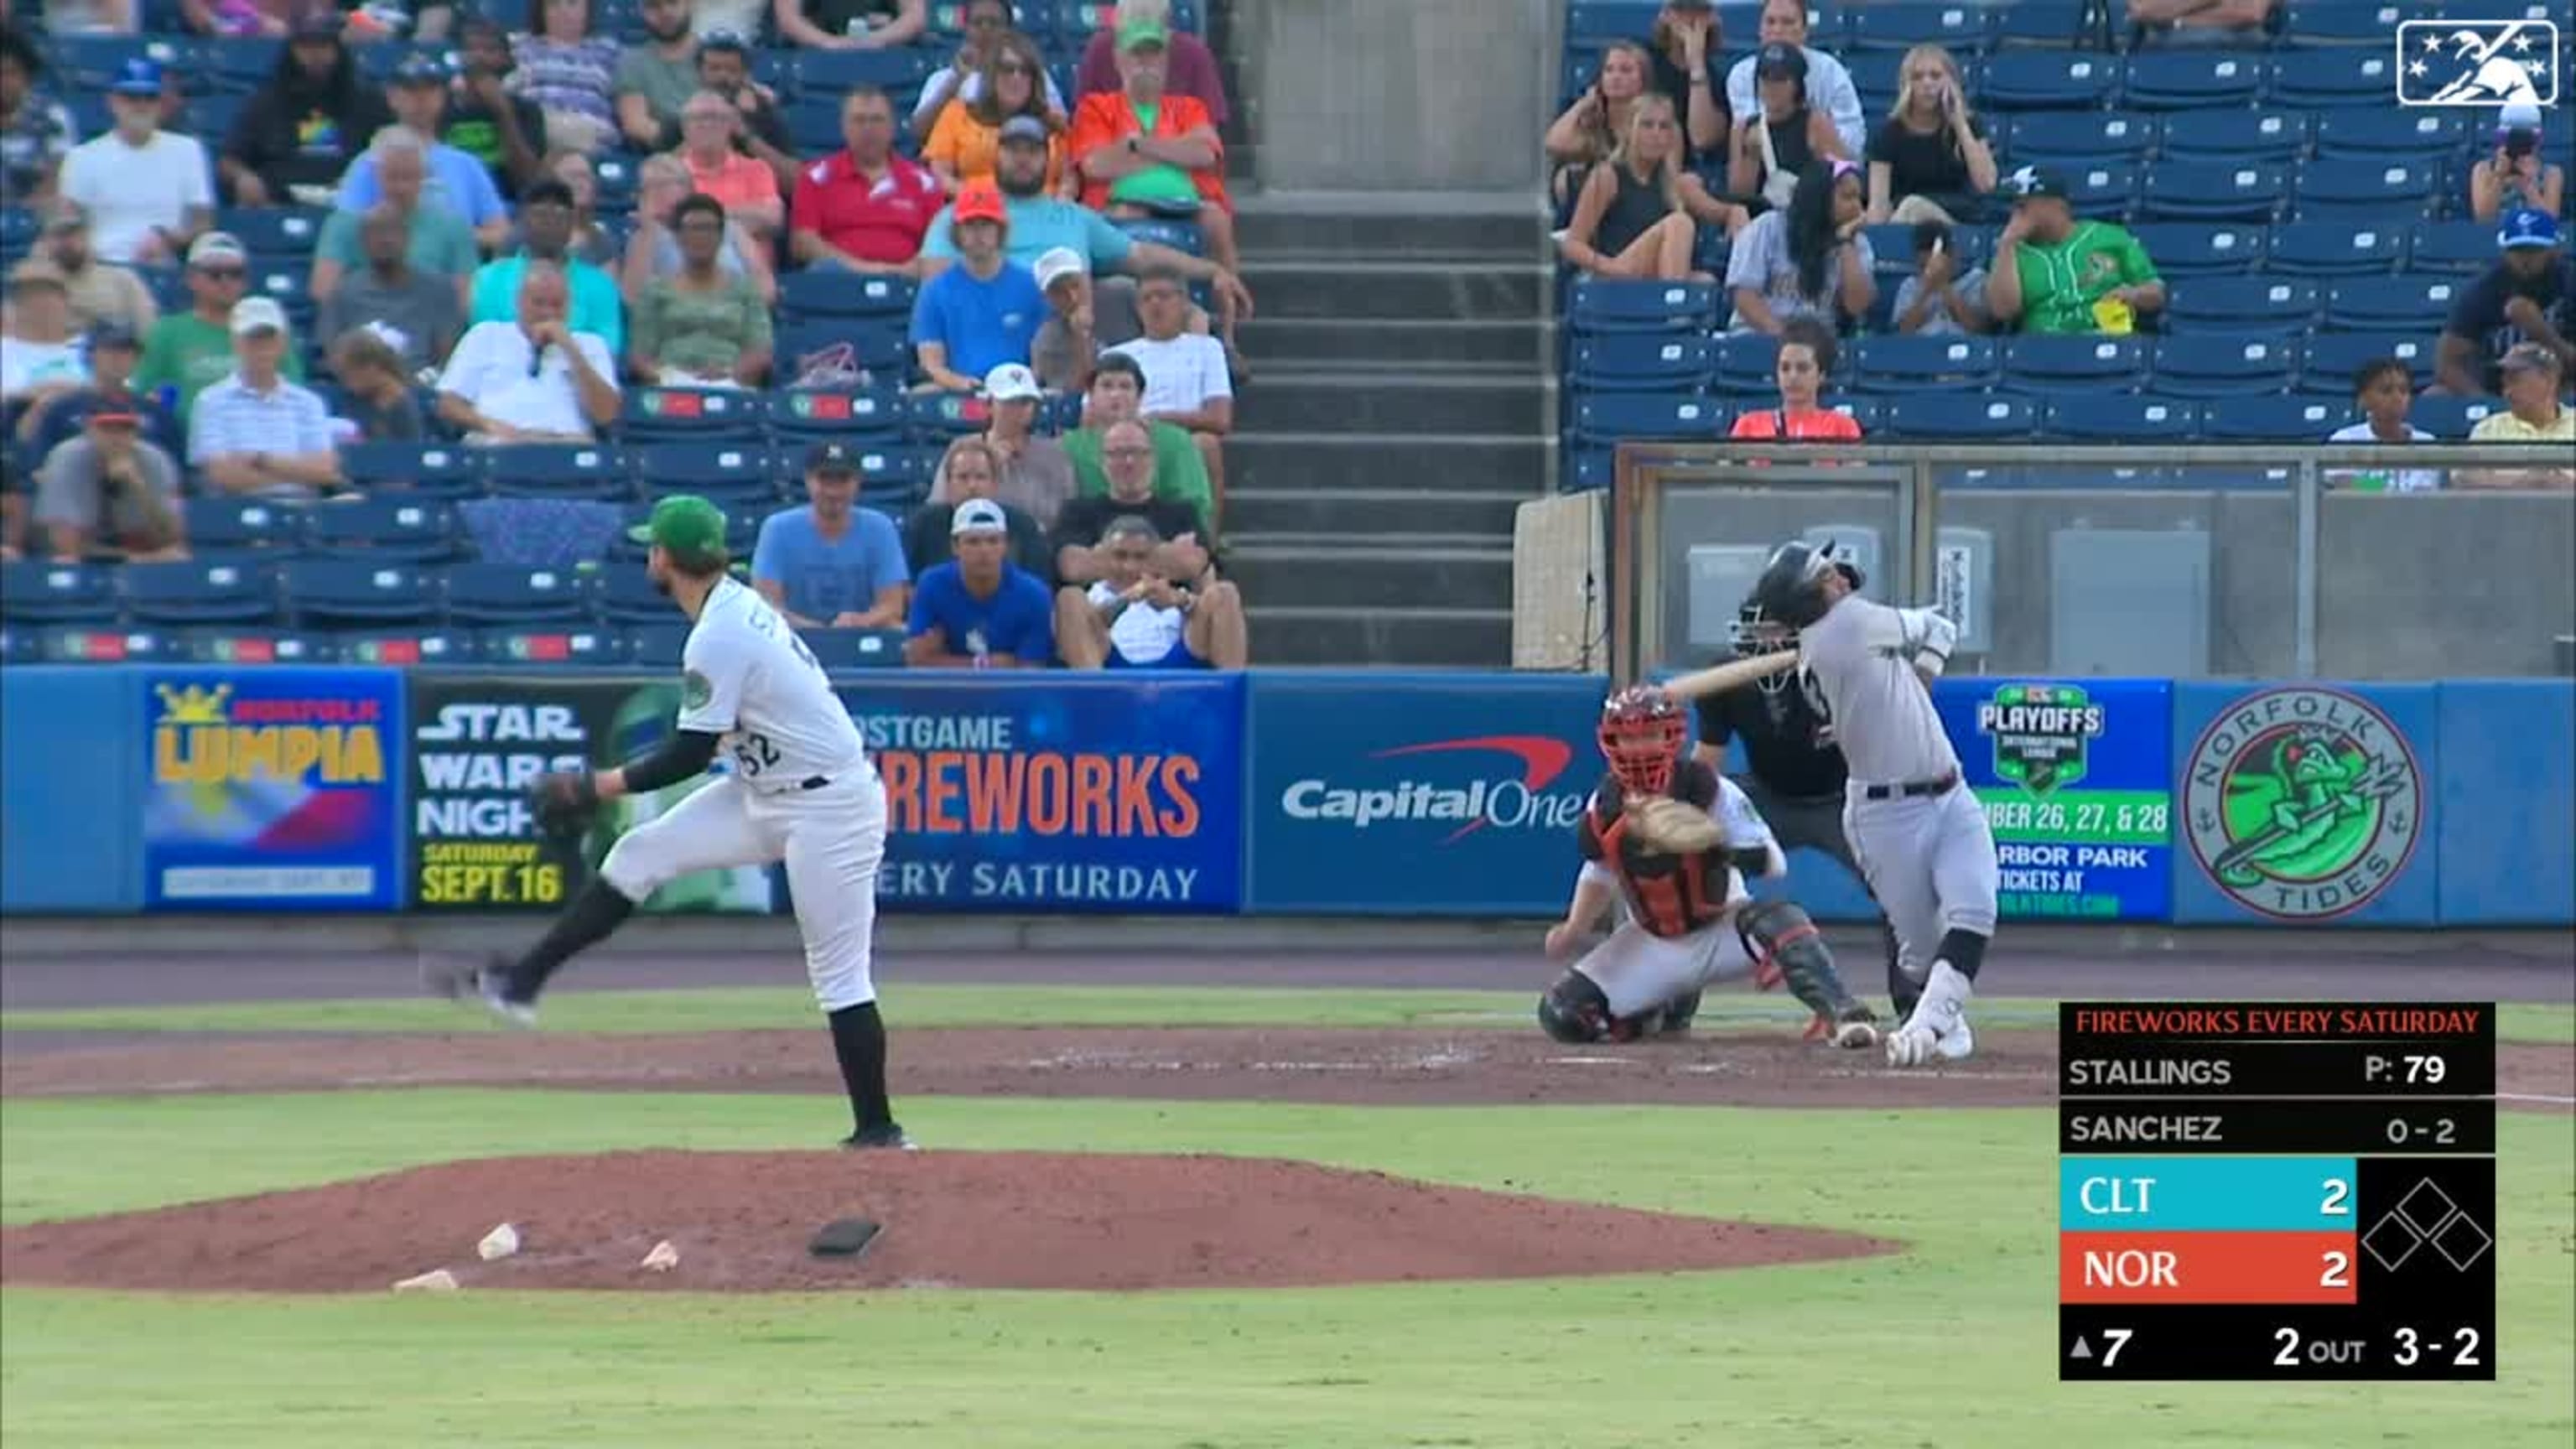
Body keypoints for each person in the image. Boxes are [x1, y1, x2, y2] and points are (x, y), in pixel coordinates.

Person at [428, 493, 913, 1151]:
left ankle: (879, 1131)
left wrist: (596, 785)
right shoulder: (728, 609)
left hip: (831, 809)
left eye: (651, 547)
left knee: (839, 975)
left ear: (664, 557)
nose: (647, 557)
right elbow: (716, 736)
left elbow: (687, 753)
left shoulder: (721, 631)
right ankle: (521, 983)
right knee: (639, 853)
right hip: (763, 789)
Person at [1750, 538, 1994, 1068]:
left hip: (1949, 794)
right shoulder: (1850, 625)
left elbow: (1937, 629)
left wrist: (1917, 680)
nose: (1838, 576)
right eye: (1825, 574)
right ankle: (1943, 1020)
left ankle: (1928, 1025)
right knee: (1920, 952)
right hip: (1885, 815)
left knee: (1975, 908)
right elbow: (1932, 623)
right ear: (1814, 594)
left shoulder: (1840, 633)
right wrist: (1919, 662)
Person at [1538, 685, 1877, 1046]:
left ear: (1671, 737)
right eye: (1628, 739)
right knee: (1563, 1015)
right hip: (1653, 942)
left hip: (1722, 929)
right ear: (1611, 743)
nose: (1639, 749)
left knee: (1783, 918)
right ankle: (1653, 1014)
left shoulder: (1708, 789)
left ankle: (1841, 1012)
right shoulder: (1604, 805)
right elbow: (1599, 871)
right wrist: (1573, 929)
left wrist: (1710, 846)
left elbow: (1772, 863)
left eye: (1650, 736)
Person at [1691, 600, 1905, 1018]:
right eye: (1759, 633)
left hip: (1841, 800)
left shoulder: (1841, 670)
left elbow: (1887, 746)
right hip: (1766, 798)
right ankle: (1672, 1001)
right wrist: (1686, 824)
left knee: (1900, 894)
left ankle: (1914, 1006)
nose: (1768, 642)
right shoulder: (1726, 678)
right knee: (1687, 866)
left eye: (1778, 631)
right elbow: (1707, 763)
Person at [1068, 18, 1239, 284]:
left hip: (1187, 204)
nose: (1146, 61)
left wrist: (1137, 145)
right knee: (1129, 216)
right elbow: (1095, 166)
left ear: (1166, 61)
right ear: (1118, 60)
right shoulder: (1097, 107)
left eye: (1154, 53)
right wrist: (1175, 150)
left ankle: (1230, 302)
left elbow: (1205, 155)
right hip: (1120, 204)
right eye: (1137, 53)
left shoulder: (1189, 107)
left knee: (1218, 220)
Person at [339, 53, 516, 249]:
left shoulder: (466, 165)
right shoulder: (369, 163)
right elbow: (345, 232)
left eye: (430, 90)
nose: (421, 99)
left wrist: (450, 235)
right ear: (392, 97)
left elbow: (501, 233)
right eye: (411, 90)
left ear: (442, 96)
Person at [220, 7, 390, 209]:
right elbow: (229, 161)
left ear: (337, 49)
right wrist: (243, 177)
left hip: (350, 206)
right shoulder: (265, 102)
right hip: (277, 204)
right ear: (292, 50)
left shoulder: (368, 100)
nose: (315, 55)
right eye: (306, 46)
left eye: (323, 46)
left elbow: (390, 154)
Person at [437, 262, 622, 443]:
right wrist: (488, 424)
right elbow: (448, 404)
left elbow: (606, 415)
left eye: (557, 305)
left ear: (569, 306)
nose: (547, 313)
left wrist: (571, 349)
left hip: (566, 443)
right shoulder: (486, 334)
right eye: (538, 303)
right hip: (497, 440)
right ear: (519, 301)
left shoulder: (591, 344)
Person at [1561, 93, 1736, 283]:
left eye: (1664, 127)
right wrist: (1610, 267)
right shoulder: (1607, 176)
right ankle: (1674, 307)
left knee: (1706, 281)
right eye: (1647, 125)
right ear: (1629, 130)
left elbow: (1717, 210)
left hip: (1655, 275)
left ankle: (1672, 300)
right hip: (1617, 274)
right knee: (1679, 223)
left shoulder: (1672, 182)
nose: (1656, 134)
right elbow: (1573, 244)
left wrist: (1737, 212)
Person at [136, 231, 309, 423]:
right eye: (215, 274)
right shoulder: (166, 332)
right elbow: (143, 392)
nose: (226, 281)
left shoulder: (269, 328)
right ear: (191, 278)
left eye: (235, 274)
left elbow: (294, 391)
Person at [58, 59, 214, 267]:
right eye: (131, 97)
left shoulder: (187, 151)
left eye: (150, 97)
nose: (141, 105)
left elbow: (203, 223)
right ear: (113, 102)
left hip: (164, 265)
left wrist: (169, 238)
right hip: (101, 268)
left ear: (161, 103)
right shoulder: (82, 157)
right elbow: (68, 223)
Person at [190, 298, 343, 501]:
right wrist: (299, 473)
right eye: (252, 338)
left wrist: (258, 459)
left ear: (283, 342)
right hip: (237, 511)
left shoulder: (308, 402)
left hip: (303, 512)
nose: (262, 346)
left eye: (269, 338)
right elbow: (222, 475)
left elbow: (324, 471)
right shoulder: (210, 401)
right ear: (236, 342)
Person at [1984, 164, 2163, 336]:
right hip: (2041, 349)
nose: (2015, 214)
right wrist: (2007, 244)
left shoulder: (2110, 236)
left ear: (2053, 205)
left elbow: (2156, 293)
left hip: (2104, 342)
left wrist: (2133, 295)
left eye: (2022, 206)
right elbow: (2003, 311)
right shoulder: (2013, 253)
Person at [1054, 512, 1247, 670]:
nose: (1129, 566)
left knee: (1225, 592)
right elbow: (1079, 631)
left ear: (1155, 559)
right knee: (1069, 597)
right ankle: (1095, 701)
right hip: (1110, 672)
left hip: (1175, 670)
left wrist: (1180, 601)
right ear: (1104, 556)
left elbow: (1203, 619)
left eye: (1140, 557)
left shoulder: (1172, 592)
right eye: (1120, 556)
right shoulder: (1091, 598)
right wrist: (1124, 600)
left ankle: (1234, 698)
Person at [310, 131, 480, 306]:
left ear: (423, 176)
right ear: (377, 174)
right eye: (392, 177)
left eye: (409, 177)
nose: (401, 187)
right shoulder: (344, 225)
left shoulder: (453, 228)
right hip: (362, 322)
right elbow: (323, 290)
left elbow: (464, 298)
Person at [753, 440, 910, 628]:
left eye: (843, 480)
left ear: (857, 482)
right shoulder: (777, 529)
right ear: (808, 480)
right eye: (825, 479)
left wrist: (859, 621)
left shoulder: (880, 528)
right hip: (794, 640)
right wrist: (818, 631)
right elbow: (767, 607)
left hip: (861, 638)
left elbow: (892, 607)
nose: (833, 491)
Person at [790, 86, 944, 276]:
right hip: (840, 278)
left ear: (892, 127)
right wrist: (864, 269)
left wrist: (906, 270)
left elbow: (938, 245)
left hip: (908, 278)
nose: (868, 129)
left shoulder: (924, 182)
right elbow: (803, 243)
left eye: (877, 120)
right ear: (844, 127)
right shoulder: (816, 177)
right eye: (859, 120)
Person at [908, 179, 1044, 391]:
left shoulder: (1030, 285)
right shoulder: (935, 291)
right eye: (970, 225)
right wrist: (961, 384)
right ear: (957, 233)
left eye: (986, 224)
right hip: (960, 391)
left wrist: (1022, 389)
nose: (978, 234)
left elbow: (1041, 357)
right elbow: (931, 363)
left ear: (1000, 230)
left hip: (1018, 392)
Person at [1051, 418, 1211, 592]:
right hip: (1097, 613)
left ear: (1153, 459)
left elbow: (1192, 565)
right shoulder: (1077, 512)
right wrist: (1164, 554)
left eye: (1137, 452)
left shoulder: (1182, 512)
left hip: (1168, 610)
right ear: (1103, 462)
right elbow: (1073, 568)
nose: (1129, 462)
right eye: (1118, 453)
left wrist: (1102, 555)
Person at [631, 193, 773, 387]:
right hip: (670, 384)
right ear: (677, 236)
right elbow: (640, 357)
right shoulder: (655, 291)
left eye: (709, 229)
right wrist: (671, 377)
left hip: (731, 384)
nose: (701, 236)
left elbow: (760, 353)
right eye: (693, 229)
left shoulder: (745, 290)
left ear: (721, 236)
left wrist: (729, 374)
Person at [468, 179, 626, 351]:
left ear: (572, 221)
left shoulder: (600, 285)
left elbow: (608, 350)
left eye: (559, 213)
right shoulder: (489, 279)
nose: (549, 221)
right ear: (523, 220)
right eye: (540, 213)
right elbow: (483, 342)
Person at [313, 203, 466, 376]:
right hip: (361, 390)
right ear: (362, 241)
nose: (385, 239)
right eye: (376, 232)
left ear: (407, 238)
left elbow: (450, 359)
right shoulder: (343, 293)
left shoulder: (440, 290)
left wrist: (421, 384)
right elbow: (332, 356)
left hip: (423, 391)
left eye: (392, 231)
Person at [1726, 158, 1874, 335]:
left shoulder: (1857, 243)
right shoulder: (1768, 227)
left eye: (1859, 198)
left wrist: (1845, 243)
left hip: (1817, 343)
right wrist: (1784, 337)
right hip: (1757, 335)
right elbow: (1744, 296)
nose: (1857, 206)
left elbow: (1857, 306)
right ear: (1819, 197)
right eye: (1848, 197)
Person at [2435, 208, 2573, 397]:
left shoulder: (2569, 283)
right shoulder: (2485, 289)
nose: (2525, 259)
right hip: (2498, 389)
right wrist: (2486, 404)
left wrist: (2541, 331)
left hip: (2561, 387)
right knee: (2436, 395)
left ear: (2554, 250)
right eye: (2517, 250)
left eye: (2534, 250)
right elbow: (2447, 363)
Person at [903, 498, 1056, 667]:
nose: (984, 551)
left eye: (993, 541)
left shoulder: (1034, 595)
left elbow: (1031, 672)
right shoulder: (931, 584)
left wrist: (945, 661)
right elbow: (917, 661)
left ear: (1005, 545)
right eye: (973, 542)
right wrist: (989, 663)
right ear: (955, 546)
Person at [1063, 352, 1213, 521]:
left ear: (1140, 396)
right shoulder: (1069, 446)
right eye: (1106, 386)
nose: (1115, 395)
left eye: (1125, 387)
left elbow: (1195, 502)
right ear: (1091, 395)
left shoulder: (1176, 441)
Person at [33, 406, 188, 563]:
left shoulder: (154, 460)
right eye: (106, 429)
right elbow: (67, 548)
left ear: (136, 434)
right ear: (89, 431)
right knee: (65, 562)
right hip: (75, 562)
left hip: (132, 554)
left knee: (179, 558)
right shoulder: (67, 459)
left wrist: (140, 489)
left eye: (125, 430)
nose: (116, 438)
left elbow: (173, 540)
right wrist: (139, 558)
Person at [1864, 44, 1995, 227]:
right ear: (1906, 84)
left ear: (1951, 81)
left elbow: (1986, 183)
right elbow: (1878, 204)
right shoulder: (1888, 133)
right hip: (1904, 222)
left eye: (1936, 76)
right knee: (1909, 208)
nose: (1927, 83)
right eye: (1917, 77)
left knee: (1914, 207)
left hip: (1956, 222)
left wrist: (1959, 123)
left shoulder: (1969, 125)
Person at [17, 321, 179, 465]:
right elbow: (38, 467)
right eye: (109, 350)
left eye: (127, 351)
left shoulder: (156, 413)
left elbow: (178, 475)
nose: (118, 358)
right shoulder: (61, 409)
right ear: (90, 355)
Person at [624, 153, 775, 304]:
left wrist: (738, 308)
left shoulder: (730, 228)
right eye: (653, 186)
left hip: (736, 314)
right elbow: (632, 299)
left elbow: (766, 286)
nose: (662, 192)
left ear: (690, 190)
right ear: (642, 196)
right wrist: (649, 229)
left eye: (672, 182)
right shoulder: (644, 240)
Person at [925, 33, 1066, 195]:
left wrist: (1060, 200)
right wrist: (978, 199)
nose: (1016, 77)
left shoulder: (1054, 122)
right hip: (975, 211)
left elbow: (1069, 177)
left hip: (1043, 212)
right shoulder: (957, 114)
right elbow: (939, 175)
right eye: (1008, 69)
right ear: (992, 75)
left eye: (1025, 71)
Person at [1722, 0, 1864, 160]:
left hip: (1820, 167)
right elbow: (1748, 138)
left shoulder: (1830, 72)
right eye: (1770, 22)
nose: (1777, 30)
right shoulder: (1741, 75)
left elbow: (1854, 141)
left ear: (1804, 32)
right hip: (1764, 171)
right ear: (1760, 30)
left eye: (1787, 22)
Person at [906, 0, 1062, 139]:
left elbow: (1059, 126)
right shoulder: (943, 78)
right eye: (977, 22)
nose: (985, 29)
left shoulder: (1028, 73)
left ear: (1009, 30)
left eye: (994, 23)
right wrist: (954, 82)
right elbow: (919, 133)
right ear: (966, 28)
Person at [909, 434, 1052, 580]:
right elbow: (908, 587)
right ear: (948, 484)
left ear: (995, 484)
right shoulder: (924, 524)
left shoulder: (1023, 526)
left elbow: (1039, 588)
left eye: (980, 477)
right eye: (963, 477)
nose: (972, 486)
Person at [1727, 43, 1845, 220]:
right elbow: (1739, 195)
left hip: (1805, 216)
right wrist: (1751, 157)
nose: (1772, 86)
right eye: (1765, 78)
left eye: (1780, 79)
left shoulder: (1815, 123)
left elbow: (1844, 175)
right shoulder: (1743, 128)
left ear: (1796, 84)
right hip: (1760, 220)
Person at [441, 19, 550, 202]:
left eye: (490, 50)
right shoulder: (442, 108)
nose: (479, 57)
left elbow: (528, 181)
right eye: (471, 49)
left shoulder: (527, 111)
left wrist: (503, 112)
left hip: (505, 203)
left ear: (507, 60)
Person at [1075, 0, 1227, 125]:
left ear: (1167, 26)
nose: (1144, 57)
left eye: (1153, 46)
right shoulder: (1099, 50)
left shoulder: (1195, 54)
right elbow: (1084, 125)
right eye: (1134, 47)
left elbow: (1209, 141)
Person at [1547, 40, 1652, 209]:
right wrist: (1584, 103)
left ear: (1643, 80)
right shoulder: (1590, 121)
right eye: (1609, 70)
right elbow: (1555, 144)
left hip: (1637, 206)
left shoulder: (1657, 122)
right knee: (1567, 176)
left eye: (1626, 70)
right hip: (1593, 207)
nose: (1616, 77)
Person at [672, 89, 783, 242]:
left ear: (730, 126)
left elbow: (773, 220)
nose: (707, 124)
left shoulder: (757, 169)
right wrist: (745, 214)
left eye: (715, 118)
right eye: (698, 119)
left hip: (747, 263)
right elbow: (666, 225)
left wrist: (698, 218)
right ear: (684, 129)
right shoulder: (672, 174)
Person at [511, 0, 621, 155]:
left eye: (572, 3)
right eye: (553, 5)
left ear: (587, 9)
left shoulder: (609, 50)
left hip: (590, 132)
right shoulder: (518, 45)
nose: (563, 11)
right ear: (542, 11)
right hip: (538, 130)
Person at [976, 361, 1076, 526]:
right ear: (989, 405)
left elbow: (1068, 512)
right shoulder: (965, 450)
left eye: (1026, 402)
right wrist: (991, 466)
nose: (1021, 409)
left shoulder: (1055, 454)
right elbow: (945, 504)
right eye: (1010, 401)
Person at [2464, 344, 2576, 489]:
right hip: (2508, 509)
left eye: (2515, 382)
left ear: (2550, 381)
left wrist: (2565, 484)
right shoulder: (2489, 429)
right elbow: (2464, 478)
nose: (2507, 393)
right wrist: (2520, 483)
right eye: (2505, 384)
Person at [1730, 317, 1860, 441]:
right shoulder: (1748, 426)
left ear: (1821, 375)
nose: (1793, 377)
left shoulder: (1843, 428)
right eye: (1785, 368)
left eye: (1803, 368)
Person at [35, 205, 156, 339]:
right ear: (46, 241)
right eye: (58, 235)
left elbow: (148, 334)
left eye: (72, 234)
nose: (66, 243)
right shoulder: (34, 286)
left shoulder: (122, 280)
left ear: (88, 236)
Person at [2324, 357, 2439, 493]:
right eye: (2386, 391)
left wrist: (2374, 486)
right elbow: (2343, 484)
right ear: (2363, 400)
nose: (2397, 397)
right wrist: (2388, 487)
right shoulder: (2345, 440)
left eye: (2403, 390)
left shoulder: (2427, 443)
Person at [1640, 1, 1728, 163]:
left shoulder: (1716, 80)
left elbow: (1702, 139)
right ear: (1665, 15)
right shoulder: (1640, 59)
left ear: (1711, 19)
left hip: (1682, 169)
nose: (1689, 18)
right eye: (1680, 10)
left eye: (1699, 12)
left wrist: (1696, 63)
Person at [1, 24, 78, 205]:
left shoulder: (52, 117)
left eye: (10, 73)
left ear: (27, 76)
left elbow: (57, 178)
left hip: (36, 218)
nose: (3, 82)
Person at [614, 0, 703, 152]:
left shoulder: (716, 55)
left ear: (689, 4)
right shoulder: (633, 63)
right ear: (642, 12)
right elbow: (635, 124)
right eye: (654, 6)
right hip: (667, 155)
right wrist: (685, 144)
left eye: (673, 3)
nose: (665, 13)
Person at [2, 262, 89, 408]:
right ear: (12, 304)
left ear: (66, 300)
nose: (39, 301)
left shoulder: (96, 346)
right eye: (27, 294)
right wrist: (31, 396)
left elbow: (124, 395)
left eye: (48, 292)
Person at [2469, 104, 2564, 225]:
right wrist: (2499, 177)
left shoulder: (2551, 173)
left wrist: (2528, 185)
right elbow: (2483, 218)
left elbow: (2551, 221)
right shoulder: (2483, 169)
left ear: (2538, 141)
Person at [1890, 219, 1988, 336]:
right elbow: (1904, 331)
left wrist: (1944, 285)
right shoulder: (1909, 285)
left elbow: (1978, 328)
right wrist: (1926, 291)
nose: (1928, 269)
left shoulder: (1975, 279)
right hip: (1921, 349)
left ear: (1953, 254)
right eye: (1923, 266)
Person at [326, 328, 427, 441]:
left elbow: (411, 452)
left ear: (371, 367)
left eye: (346, 375)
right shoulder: (349, 398)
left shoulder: (409, 407)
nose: (344, 383)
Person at [776, 0, 929, 53]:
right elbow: (788, 19)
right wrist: (828, 43)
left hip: (883, 52)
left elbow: (915, 17)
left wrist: (874, 40)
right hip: (817, 53)